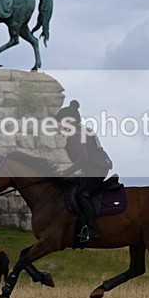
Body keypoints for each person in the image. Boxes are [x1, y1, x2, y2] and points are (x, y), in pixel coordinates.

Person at [56, 100, 113, 242]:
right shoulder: (82, 130)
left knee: (82, 194)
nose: (57, 126)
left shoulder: (76, 135)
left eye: (58, 122)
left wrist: (65, 173)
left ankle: (91, 229)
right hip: (96, 166)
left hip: (96, 168)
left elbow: (84, 159)